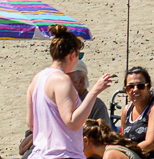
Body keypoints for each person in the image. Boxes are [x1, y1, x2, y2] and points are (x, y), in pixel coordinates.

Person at [29, 26, 112, 159]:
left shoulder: (37, 79)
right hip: (63, 154)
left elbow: (31, 123)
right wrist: (95, 92)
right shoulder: (62, 80)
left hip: (39, 154)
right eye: (79, 55)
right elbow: (72, 122)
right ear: (72, 55)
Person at [99, 68, 154, 159]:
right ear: (126, 90)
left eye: (140, 86)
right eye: (130, 87)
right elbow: (123, 140)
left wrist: (122, 152)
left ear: (148, 87)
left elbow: (151, 144)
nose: (135, 90)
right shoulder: (126, 110)